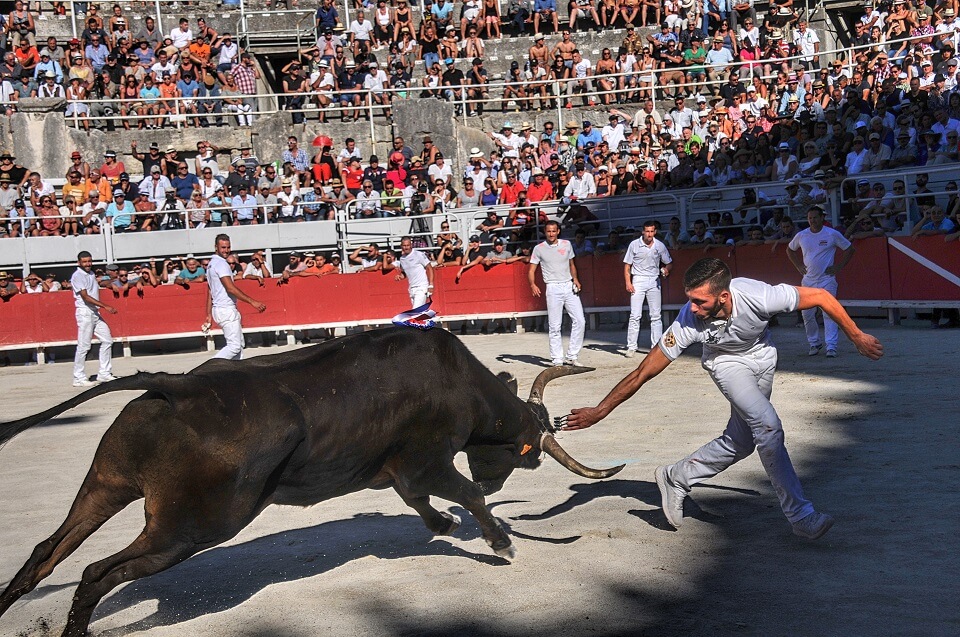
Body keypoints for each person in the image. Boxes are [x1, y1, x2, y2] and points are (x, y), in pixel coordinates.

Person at [561, 258, 884, 539]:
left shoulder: (760, 296)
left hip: (763, 356)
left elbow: (821, 296)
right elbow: (644, 371)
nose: (692, 308)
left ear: (724, 296)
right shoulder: (688, 321)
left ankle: (676, 476)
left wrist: (856, 336)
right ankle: (800, 515)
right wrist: (600, 410)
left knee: (741, 441)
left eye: (700, 301)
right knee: (768, 427)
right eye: (691, 300)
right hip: (725, 363)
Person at [787, 206, 855, 358]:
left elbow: (850, 249)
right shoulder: (802, 235)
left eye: (815, 217)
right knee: (807, 314)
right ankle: (814, 343)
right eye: (810, 218)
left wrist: (839, 267)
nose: (812, 221)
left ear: (822, 218)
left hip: (826, 279)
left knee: (829, 313)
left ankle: (831, 346)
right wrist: (798, 265)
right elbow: (790, 249)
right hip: (808, 281)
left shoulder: (831, 234)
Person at [529, 220, 584, 367]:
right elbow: (531, 270)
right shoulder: (539, 248)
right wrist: (532, 284)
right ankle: (557, 359)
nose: (551, 234)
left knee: (580, 320)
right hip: (552, 287)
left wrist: (576, 279)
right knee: (554, 325)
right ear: (545, 232)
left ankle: (572, 356)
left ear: (558, 231)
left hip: (568, 285)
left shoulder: (566, 244)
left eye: (554, 231)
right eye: (548, 231)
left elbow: (572, 264)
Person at [204, 234, 267, 360]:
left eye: (228, 247)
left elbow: (210, 291)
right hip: (226, 309)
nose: (226, 250)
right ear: (216, 247)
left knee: (239, 346)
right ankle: (211, 367)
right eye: (223, 247)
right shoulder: (221, 264)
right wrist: (252, 302)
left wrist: (209, 314)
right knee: (235, 347)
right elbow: (230, 288)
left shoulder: (211, 264)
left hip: (220, 309)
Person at [623, 219, 672, 357]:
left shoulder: (660, 246)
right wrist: (628, 282)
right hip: (638, 279)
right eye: (647, 231)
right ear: (643, 232)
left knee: (656, 315)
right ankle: (631, 346)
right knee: (635, 315)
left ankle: (655, 346)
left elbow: (669, 263)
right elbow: (627, 265)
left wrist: (666, 270)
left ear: (655, 232)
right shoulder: (634, 245)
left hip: (654, 279)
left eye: (652, 231)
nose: (649, 234)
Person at [70, 251, 118, 387]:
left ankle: (104, 373)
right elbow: (85, 296)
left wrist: (112, 280)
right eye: (85, 261)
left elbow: (96, 285)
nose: (88, 264)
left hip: (93, 313)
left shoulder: (90, 274)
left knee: (107, 340)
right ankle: (78, 377)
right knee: (84, 346)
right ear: (79, 262)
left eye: (89, 261)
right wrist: (105, 306)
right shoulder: (77, 276)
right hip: (85, 312)